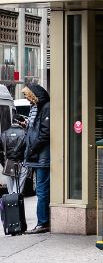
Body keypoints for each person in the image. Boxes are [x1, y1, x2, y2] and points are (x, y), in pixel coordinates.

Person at [22, 83, 51, 234]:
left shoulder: (45, 107)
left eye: (27, 94)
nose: (26, 98)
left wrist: (33, 149)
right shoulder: (35, 107)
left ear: (34, 94)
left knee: (41, 190)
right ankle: (44, 221)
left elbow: (45, 133)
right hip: (37, 156)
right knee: (41, 190)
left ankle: (43, 222)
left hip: (42, 157)